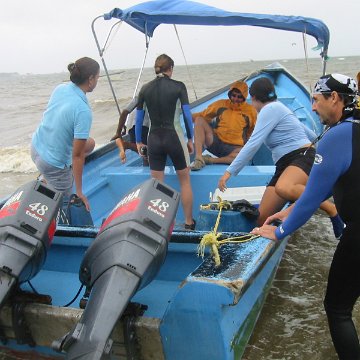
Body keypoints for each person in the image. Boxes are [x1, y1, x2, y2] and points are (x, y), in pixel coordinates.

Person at [252, 74, 360, 359]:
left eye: (316, 99)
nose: (312, 107)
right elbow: (329, 189)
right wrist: (288, 210)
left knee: (337, 309)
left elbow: (311, 197)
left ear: (334, 98)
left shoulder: (337, 136)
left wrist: (279, 231)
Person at [218, 77, 343, 236]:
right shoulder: (281, 108)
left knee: (284, 187)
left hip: (299, 157)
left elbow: (253, 144)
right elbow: (310, 134)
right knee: (262, 219)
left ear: (254, 98)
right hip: (285, 163)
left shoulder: (269, 109)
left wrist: (229, 172)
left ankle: (331, 209)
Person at [135, 54, 195, 230]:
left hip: (153, 139)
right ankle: (189, 223)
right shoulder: (178, 87)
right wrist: (190, 138)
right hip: (174, 137)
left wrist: (139, 141)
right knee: (184, 181)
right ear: (171, 69)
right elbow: (186, 114)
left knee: (157, 185)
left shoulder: (145, 89)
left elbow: (139, 119)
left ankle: (157, 224)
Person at [31, 57, 100, 211]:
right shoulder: (83, 111)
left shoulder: (60, 88)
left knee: (91, 143)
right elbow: (77, 155)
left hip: (36, 147)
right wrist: (80, 192)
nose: (97, 80)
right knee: (62, 207)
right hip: (52, 164)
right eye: (97, 77)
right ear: (90, 79)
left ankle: (45, 179)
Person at [190, 81, 257, 170]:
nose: (236, 99)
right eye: (233, 95)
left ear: (244, 97)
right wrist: (187, 116)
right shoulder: (220, 104)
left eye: (240, 97)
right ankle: (199, 158)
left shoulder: (251, 111)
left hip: (233, 149)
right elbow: (203, 115)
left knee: (243, 156)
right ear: (230, 94)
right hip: (216, 143)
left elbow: (251, 132)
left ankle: (210, 160)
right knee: (199, 120)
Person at [110, 96, 150, 165]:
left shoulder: (140, 95)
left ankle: (125, 144)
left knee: (144, 154)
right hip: (144, 127)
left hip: (132, 127)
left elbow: (124, 112)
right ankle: (126, 145)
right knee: (147, 154)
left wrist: (118, 132)